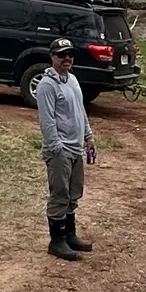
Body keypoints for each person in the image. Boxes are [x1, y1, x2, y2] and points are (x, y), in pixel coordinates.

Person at [36, 36, 97, 260]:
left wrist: (88, 136)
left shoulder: (72, 80)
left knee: (73, 193)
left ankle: (70, 235)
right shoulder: (46, 85)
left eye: (70, 54)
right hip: (60, 150)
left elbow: (80, 110)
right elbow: (47, 120)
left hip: (76, 148)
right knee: (59, 195)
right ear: (52, 57)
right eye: (61, 55)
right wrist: (56, 147)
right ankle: (57, 240)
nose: (67, 58)